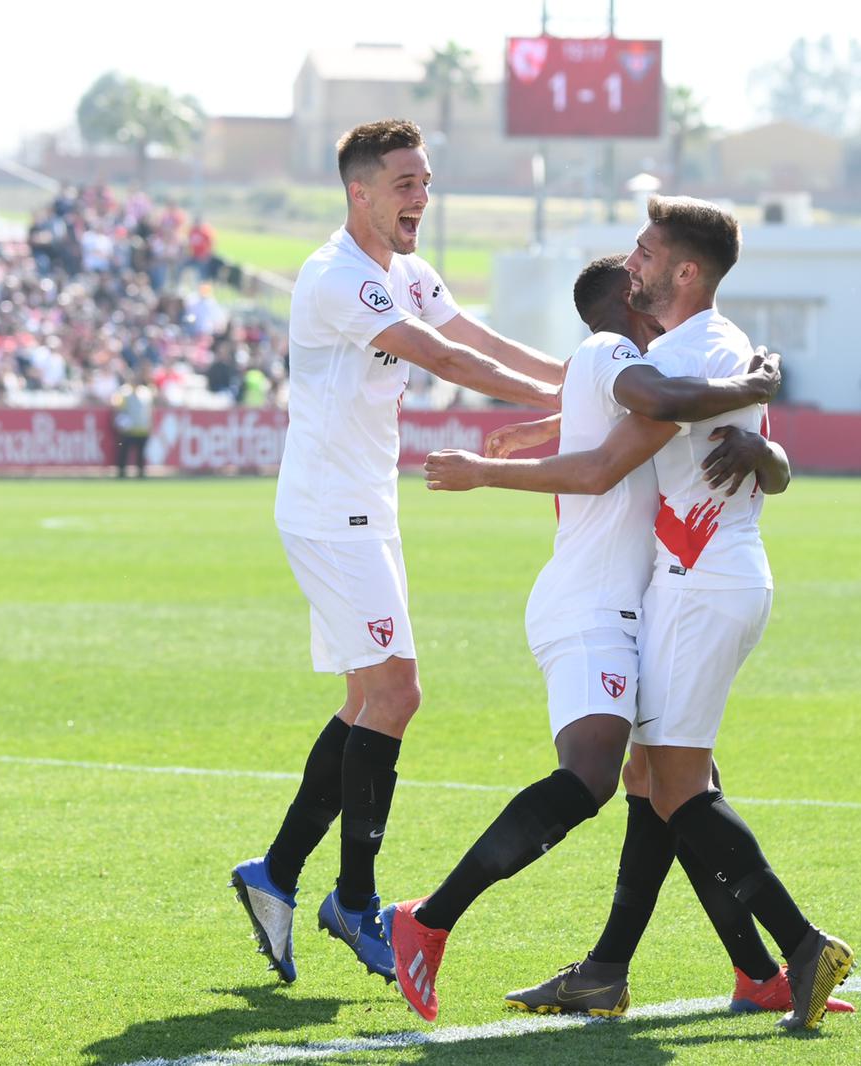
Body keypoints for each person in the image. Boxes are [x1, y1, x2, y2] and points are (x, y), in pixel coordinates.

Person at [385, 196, 855, 1032]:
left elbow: (616, 453)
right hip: (690, 580)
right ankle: (659, 970)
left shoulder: (688, 352)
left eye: (644, 251)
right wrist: (761, 413)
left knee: (670, 785)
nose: (632, 263)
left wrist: (761, 427)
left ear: (682, 271)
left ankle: (800, 944)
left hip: (695, 581)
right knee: (655, 781)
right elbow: (651, 420)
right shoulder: (701, 352)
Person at [228, 118, 572, 987]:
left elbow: (483, 338)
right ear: (362, 193)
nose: (422, 196)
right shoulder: (337, 277)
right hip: (330, 511)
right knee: (397, 692)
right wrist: (590, 394)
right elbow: (444, 355)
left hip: (361, 509)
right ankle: (353, 898)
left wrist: (583, 380)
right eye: (407, 183)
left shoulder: (409, 271)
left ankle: (274, 875)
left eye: (426, 180)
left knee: (363, 702)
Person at [112, 372, 154, 478]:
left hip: (142, 429)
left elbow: (148, 411)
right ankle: (121, 472)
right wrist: (120, 423)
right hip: (128, 430)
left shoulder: (145, 392)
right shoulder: (123, 392)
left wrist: (150, 425)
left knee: (141, 454)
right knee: (123, 452)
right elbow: (117, 409)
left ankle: (141, 473)